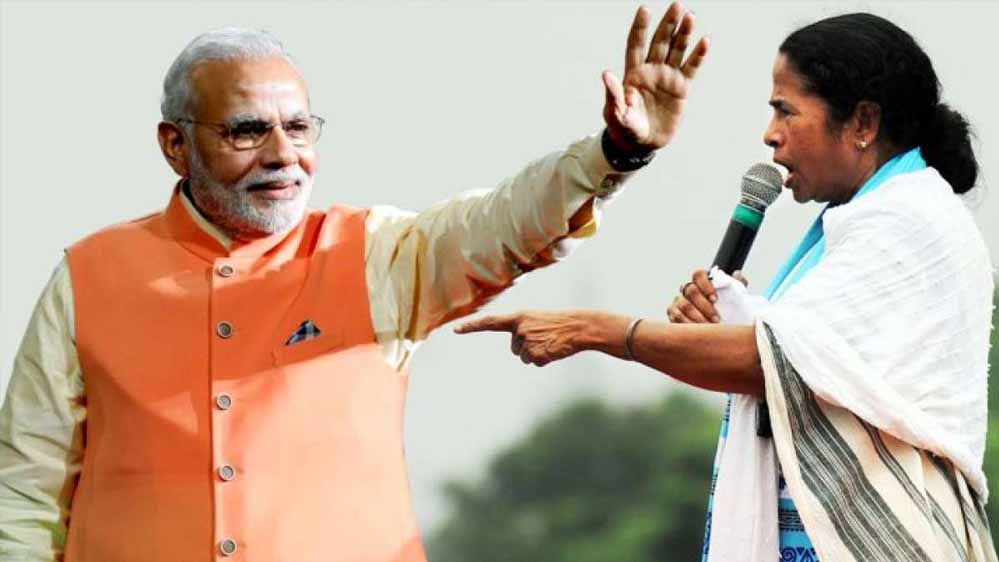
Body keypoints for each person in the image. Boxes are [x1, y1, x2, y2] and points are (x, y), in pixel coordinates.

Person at [0, 4, 709, 562]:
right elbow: (27, 488)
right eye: (247, 131)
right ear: (175, 145)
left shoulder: (374, 253)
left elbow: (501, 223)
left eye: (298, 127)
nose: (283, 154)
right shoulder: (89, 275)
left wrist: (614, 153)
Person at [457, 12, 997, 562]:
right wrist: (732, 321)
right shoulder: (869, 218)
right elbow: (820, 362)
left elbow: (775, 363)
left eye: (786, 110)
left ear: (863, 122)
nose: (770, 133)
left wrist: (593, 330)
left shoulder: (906, 218)